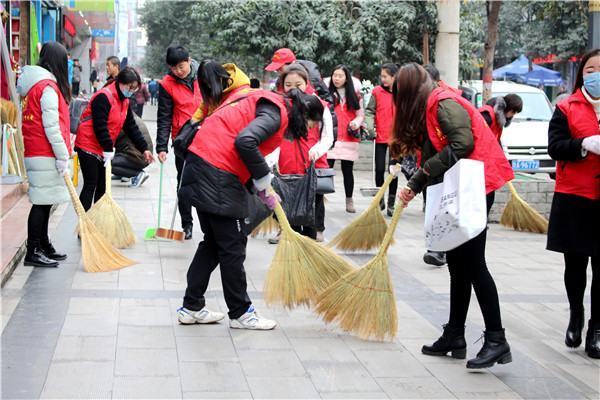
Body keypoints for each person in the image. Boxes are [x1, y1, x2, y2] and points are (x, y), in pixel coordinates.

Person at [393, 63, 514, 369]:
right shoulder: (433, 103)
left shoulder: (442, 102)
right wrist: (416, 183)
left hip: (476, 187)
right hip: (464, 188)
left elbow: (463, 144)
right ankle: (455, 335)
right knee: (458, 266)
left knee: (474, 265)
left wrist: (420, 176)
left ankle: (497, 340)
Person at [177, 87, 324, 330]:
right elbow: (245, 141)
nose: (308, 131)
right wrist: (263, 178)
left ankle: (191, 306)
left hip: (201, 165)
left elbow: (235, 140)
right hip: (217, 173)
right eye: (311, 125)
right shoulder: (276, 112)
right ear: (304, 114)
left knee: (214, 242)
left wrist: (257, 187)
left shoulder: (265, 101)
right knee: (233, 246)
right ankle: (241, 312)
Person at [547, 48, 600, 359]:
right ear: (582, 73)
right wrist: (584, 144)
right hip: (574, 196)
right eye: (591, 69)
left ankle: (596, 328)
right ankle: (576, 314)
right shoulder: (566, 107)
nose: (596, 74)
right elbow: (555, 147)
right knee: (576, 264)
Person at [17, 42, 72, 268]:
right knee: (41, 203)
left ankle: (43, 245)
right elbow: (52, 126)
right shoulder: (47, 86)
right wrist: (62, 155)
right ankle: (34, 250)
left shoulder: (35, 86)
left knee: (45, 201)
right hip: (44, 151)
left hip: (37, 150)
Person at [74, 67, 154, 211]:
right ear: (120, 82)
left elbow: (131, 127)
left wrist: (144, 149)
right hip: (88, 145)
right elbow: (100, 126)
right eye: (130, 87)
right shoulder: (104, 97)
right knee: (91, 184)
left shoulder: (125, 101)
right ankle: (83, 224)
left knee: (103, 186)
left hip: (102, 148)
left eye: (134, 89)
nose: (131, 91)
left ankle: (97, 222)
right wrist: (108, 148)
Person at [272, 64, 334, 242]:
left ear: (306, 83)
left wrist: (317, 150)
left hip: (311, 163)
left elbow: (328, 136)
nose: (293, 88)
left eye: (298, 84)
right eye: (288, 84)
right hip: (286, 163)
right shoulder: (279, 105)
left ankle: (312, 239)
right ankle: (289, 240)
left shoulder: (318, 104)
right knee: (288, 206)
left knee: (313, 206)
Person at [156, 46, 202, 240]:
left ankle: (208, 224)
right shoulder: (167, 84)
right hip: (182, 139)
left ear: (189, 60)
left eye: (181, 66)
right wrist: (161, 146)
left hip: (205, 136)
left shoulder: (204, 75)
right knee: (183, 182)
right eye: (174, 68)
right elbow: (164, 116)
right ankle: (187, 224)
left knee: (205, 182)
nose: (178, 71)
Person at [326, 65, 364, 213]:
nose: (337, 78)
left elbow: (360, 115)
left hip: (348, 137)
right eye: (335, 75)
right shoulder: (327, 95)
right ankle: (320, 197)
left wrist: (356, 123)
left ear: (346, 78)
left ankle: (349, 200)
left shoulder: (354, 95)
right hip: (331, 138)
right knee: (326, 169)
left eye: (340, 76)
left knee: (348, 171)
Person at [365, 63, 399, 217]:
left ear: (394, 77)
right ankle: (380, 197)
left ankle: (392, 202)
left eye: (385, 76)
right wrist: (371, 128)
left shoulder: (402, 94)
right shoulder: (377, 92)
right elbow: (370, 111)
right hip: (380, 137)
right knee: (379, 169)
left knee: (393, 171)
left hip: (397, 138)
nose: (382, 79)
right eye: (382, 76)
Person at [112, 114, 153, 188]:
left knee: (108, 164)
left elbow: (113, 136)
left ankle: (138, 174)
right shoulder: (130, 115)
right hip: (141, 154)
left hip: (138, 156)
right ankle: (122, 174)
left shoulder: (124, 117)